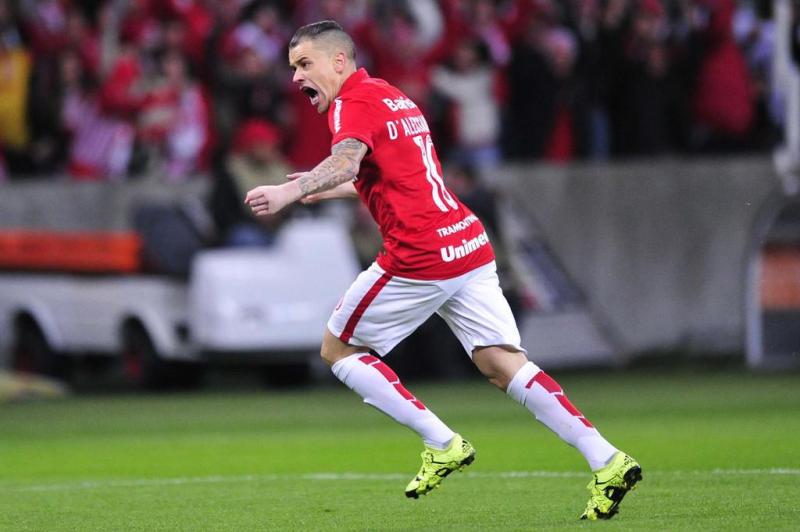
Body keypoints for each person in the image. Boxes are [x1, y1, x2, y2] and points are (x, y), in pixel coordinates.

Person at [245, 20, 642, 521]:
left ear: (338, 61)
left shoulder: (351, 104)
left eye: (305, 64)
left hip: (421, 253)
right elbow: (394, 173)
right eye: (293, 67)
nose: (297, 77)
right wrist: (324, 187)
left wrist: (288, 191)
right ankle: (607, 460)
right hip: (467, 242)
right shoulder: (392, 96)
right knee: (502, 363)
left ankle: (442, 442)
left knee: (338, 348)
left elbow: (346, 162)